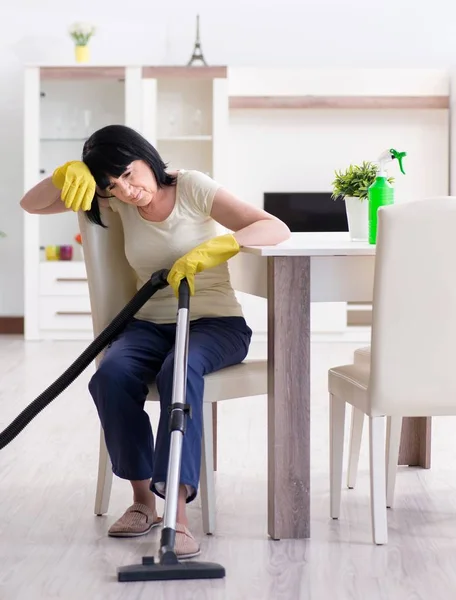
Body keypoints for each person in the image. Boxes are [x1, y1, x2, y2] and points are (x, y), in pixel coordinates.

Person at [20, 124, 290, 558]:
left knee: (176, 373)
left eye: (129, 174)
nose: (127, 191)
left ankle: (177, 519)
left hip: (214, 323)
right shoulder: (116, 200)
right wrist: (66, 172)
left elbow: (273, 226)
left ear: (145, 157)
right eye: (112, 184)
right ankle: (143, 501)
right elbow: (30, 205)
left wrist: (216, 248)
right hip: (147, 324)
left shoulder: (191, 186)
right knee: (109, 376)